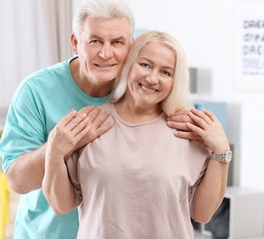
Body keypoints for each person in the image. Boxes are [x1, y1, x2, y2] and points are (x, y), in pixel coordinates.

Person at [42, 30, 231, 239]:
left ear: (175, 80)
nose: (152, 78)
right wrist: (54, 153)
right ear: (129, 64)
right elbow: (61, 204)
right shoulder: (92, 122)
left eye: (166, 72)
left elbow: (203, 214)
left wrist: (221, 151)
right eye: (145, 65)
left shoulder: (186, 131)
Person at [0, 0, 135, 238]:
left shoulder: (139, 93)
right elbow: (17, 181)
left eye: (117, 42)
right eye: (95, 41)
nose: (106, 53)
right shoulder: (35, 90)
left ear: (130, 46)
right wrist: (59, 147)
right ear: (75, 42)